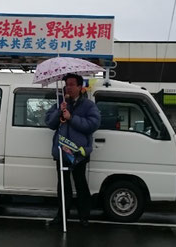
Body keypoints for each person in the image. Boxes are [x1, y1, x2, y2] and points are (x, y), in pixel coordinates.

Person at [45, 73, 101, 227]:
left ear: (79, 86)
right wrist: (59, 111)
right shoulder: (60, 102)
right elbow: (49, 123)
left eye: (71, 84)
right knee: (63, 185)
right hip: (61, 152)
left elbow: (93, 124)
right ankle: (62, 216)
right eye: (66, 84)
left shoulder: (88, 105)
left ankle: (84, 217)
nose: (68, 87)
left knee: (80, 183)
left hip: (78, 153)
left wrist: (71, 118)